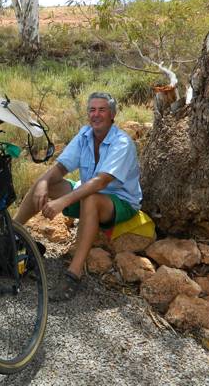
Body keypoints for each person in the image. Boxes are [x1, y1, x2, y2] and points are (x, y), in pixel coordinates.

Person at [14, 92, 142, 301]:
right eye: (92, 110)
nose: (96, 114)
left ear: (112, 114)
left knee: (90, 197)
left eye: (102, 110)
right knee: (45, 183)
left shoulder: (122, 143)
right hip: (87, 194)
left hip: (119, 202)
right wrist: (43, 183)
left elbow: (100, 182)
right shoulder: (85, 135)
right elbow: (61, 168)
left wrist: (63, 201)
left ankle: (74, 274)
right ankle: (12, 232)